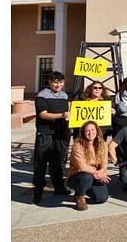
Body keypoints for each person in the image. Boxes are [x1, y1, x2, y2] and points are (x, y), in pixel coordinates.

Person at [32, 71, 71, 204]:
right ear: (49, 82)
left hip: (60, 135)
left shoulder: (65, 96)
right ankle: (38, 191)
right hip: (45, 134)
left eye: (60, 82)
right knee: (41, 164)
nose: (58, 85)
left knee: (58, 163)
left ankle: (59, 187)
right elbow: (43, 114)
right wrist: (61, 115)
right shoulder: (42, 95)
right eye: (55, 82)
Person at [66, 121, 111, 211]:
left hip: (94, 175)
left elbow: (104, 163)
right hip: (78, 176)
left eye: (92, 130)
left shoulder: (103, 144)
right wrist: (97, 173)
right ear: (83, 133)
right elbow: (82, 167)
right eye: (87, 131)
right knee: (86, 177)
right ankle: (80, 196)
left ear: (97, 131)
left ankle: (84, 188)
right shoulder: (78, 146)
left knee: (101, 198)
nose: (90, 133)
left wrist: (101, 172)